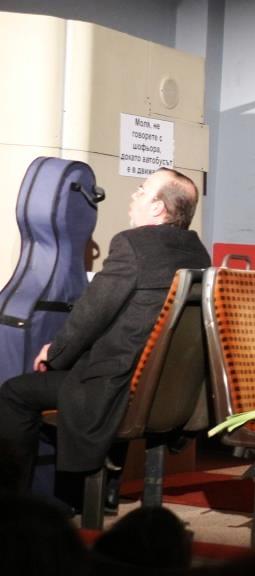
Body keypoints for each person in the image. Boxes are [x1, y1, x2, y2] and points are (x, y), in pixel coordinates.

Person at [0, 168, 211, 495]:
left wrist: (54, 353)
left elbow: (92, 313)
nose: (134, 196)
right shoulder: (198, 253)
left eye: (142, 190)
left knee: (14, 393)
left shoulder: (134, 244)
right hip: (166, 395)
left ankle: (14, 502)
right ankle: (102, 492)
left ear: (158, 207)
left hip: (116, 390)